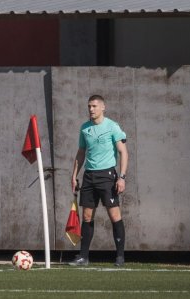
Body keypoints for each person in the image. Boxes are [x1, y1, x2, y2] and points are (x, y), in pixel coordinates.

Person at [69, 94, 129, 267]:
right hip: (89, 176)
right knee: (87, 216)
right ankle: (83, 257)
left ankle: (119, 257)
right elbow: (81, 152)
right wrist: (74, 176)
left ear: (103, 107)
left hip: (107, 176)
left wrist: (122, 177)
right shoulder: (84, 128)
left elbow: (123, 152)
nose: (91, 109)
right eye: (89, 106)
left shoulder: (112, 126)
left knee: (114, 215)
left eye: (94, 106)